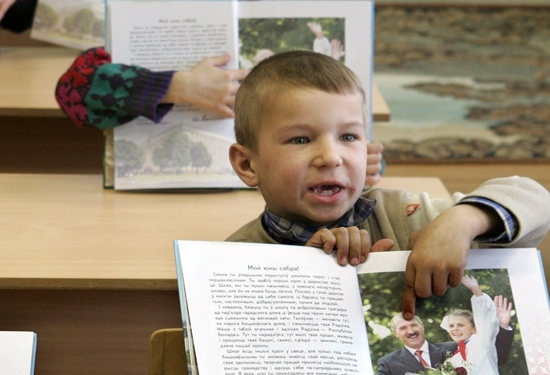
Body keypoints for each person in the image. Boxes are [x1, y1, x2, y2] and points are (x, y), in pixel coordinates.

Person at [53, 0, 385, 184]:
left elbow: (356, 143)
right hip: (171, 194)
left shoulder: (317, 57)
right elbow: (73, 92)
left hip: (284, 210)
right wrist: (175, 86)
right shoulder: (159, 26)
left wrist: (368, 163)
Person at [225, 50, 550, 318]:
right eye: (300, 139)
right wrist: (304, 271)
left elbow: (537, 201)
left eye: (348, 137)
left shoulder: (404, 216)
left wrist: (461, 223)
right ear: (246, 164)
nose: (330, 157)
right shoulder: (231, 262)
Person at [375, 309, 513, 375]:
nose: (411, 331)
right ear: (396, 333)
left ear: (422, 326)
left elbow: (494, 358)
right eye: (403, 328)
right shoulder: (388, 362)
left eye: (414, 325)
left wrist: (503, 327)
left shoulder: (454, 348)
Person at [442, 275, 509, 375]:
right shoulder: (451, 360)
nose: (455, 329)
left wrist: (476, 292)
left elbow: (485, 320)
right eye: (451, 326)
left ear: (474, 329)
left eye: (460, 325)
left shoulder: (481, 341)